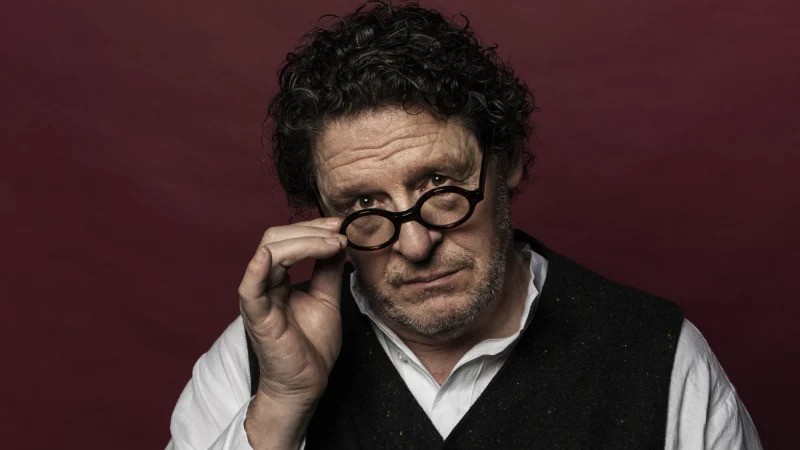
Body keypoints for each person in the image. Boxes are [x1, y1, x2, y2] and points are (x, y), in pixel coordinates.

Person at [168, 2, 761, 448]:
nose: (415, 243)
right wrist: (282, 404)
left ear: (509, 163)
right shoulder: (255, 364)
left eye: (440, 186)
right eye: (365, 204)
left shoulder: (660, 357)